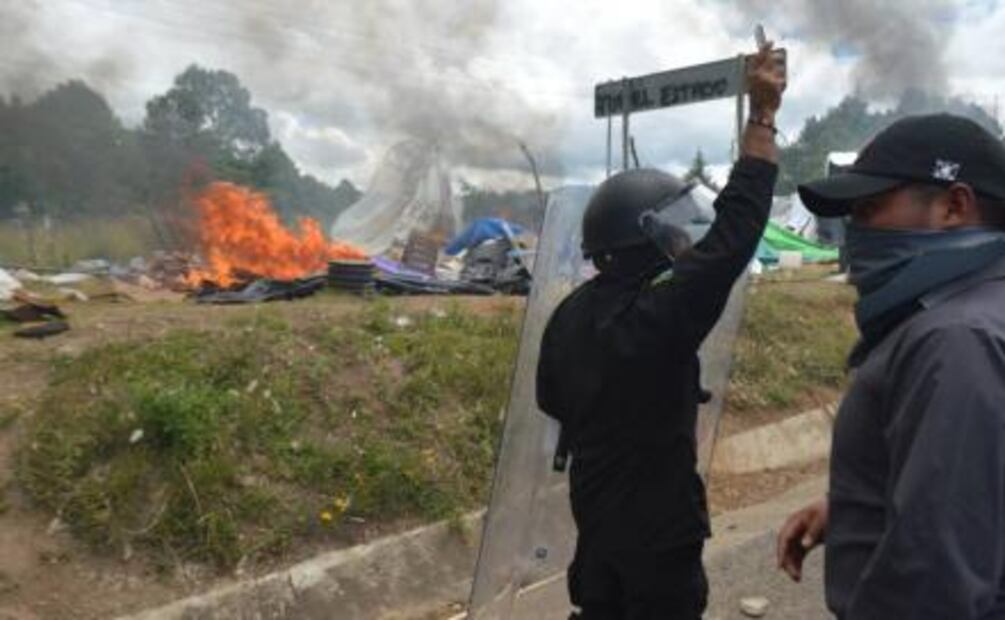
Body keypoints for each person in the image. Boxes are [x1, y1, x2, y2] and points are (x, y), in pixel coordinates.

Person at [535, 43, 786, 619]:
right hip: (655, 537)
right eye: (673, 230)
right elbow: (734, 234)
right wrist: (762, 117)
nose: (683, 242)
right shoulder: (653, 321)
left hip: (595, 520)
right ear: (643, 237)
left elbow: (552, 398)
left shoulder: (570, 315)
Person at [777, 113, 1005, 619]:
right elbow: (973, 490)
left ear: (954, 205)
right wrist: (858, 506)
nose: (855, 232)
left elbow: (932, 583)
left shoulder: (956, 340)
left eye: (871, 208)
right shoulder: (975, 310)